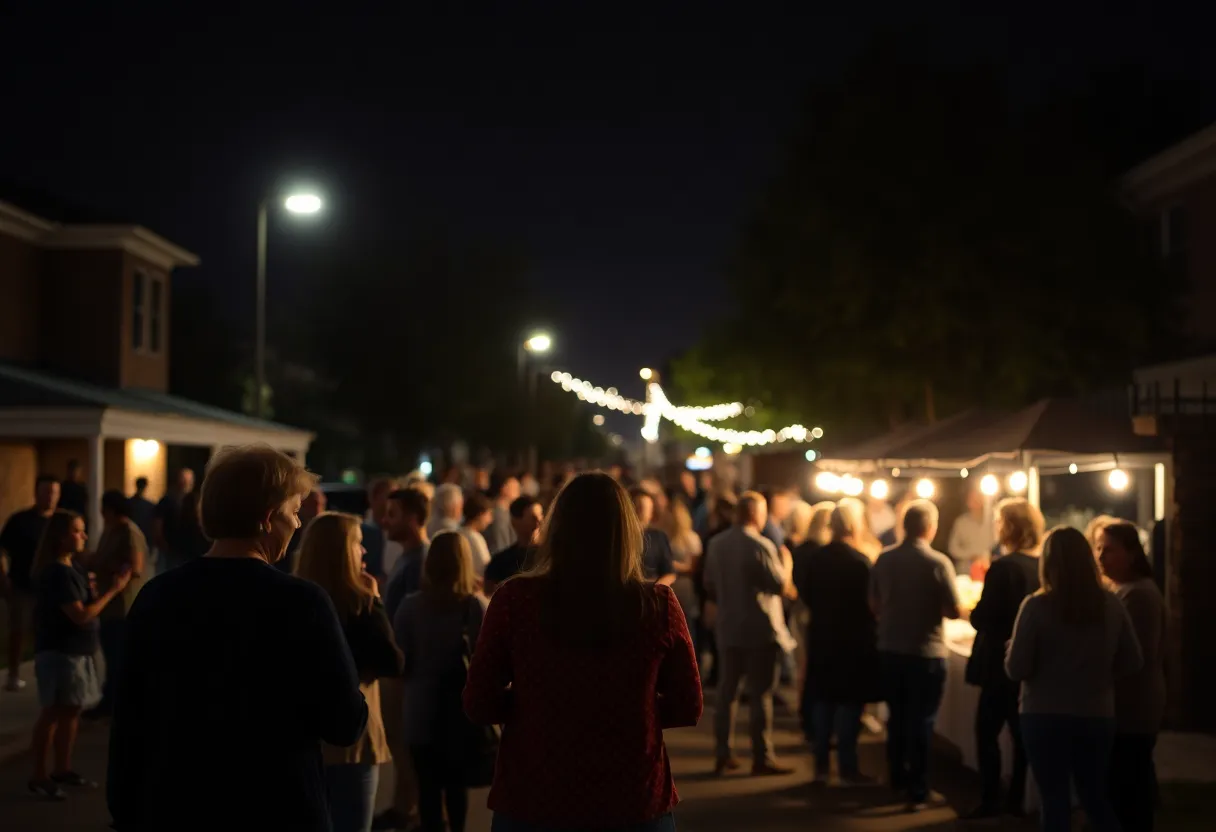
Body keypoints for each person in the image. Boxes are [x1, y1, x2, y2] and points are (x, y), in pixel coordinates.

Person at [106, 445, 368, 832]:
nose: (297, 525)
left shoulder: (157, 597)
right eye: (294, 512)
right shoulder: (301, 604)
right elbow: (345, 723)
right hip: (279, 808)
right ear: (267, 518)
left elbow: (129, 718)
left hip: (175, 807)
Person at [464, 472, 701, 831]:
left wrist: (535, 706)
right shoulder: (656, 606)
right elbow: (688, 703)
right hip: (632, 795)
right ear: (627, 532)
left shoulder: (515, 601)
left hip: (535, 792)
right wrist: (634, 709)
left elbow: (478, 701)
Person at [1006, 526, 1143, 832]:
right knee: (1094, 797)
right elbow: (1133, 660)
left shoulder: (1037, 606)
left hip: (1043, 714)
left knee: (1054, 799)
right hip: (1096, 713)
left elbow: (1016, 668)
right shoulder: (1112, 605)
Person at [296, 512, 404, 832]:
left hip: (305, 740)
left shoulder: (297, 600)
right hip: (354, 742)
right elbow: (392, 662)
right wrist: (375, 601)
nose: (364, 551)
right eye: (358, 543)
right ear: (342, 551)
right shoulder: (359, 604)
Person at [28, 510, 129, 800]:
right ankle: (38, 774)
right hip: (61, 653)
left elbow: (84, 604)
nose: (84, 536)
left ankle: (62, 768)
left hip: (76, 652)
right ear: (61, 537)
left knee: (71, 710)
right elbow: (80, 615)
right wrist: (114, 590)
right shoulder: (57, 572)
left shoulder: (71, 569)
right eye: (78, 530)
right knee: (53, 713)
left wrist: (93, 590)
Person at [869, 499, 960, 811]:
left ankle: (896, 779)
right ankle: (919, 790)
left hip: (891, 649)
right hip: (926, 652)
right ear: (930, 528)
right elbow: (952, 610)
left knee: (896, 718)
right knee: (922, 721)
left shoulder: (884, 559)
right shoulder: (938, 563)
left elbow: (874, 604)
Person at [395, 531, 486, 832]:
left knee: (428, 792)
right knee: (457, 788)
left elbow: (401, 664)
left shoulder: (409, 607)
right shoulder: (473, 607)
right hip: (460, 712)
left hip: (420, 711)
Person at [962, 497, 1044, 819]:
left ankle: (990, 799)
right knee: (1021, 735)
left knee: (986, 732)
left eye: (999, 522)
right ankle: (1017, 798)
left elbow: (983, 617)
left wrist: (972, 614)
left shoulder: (1003, 568)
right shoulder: (1042, 566)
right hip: (1030, 661)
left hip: (998, 661)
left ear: (1008, 527)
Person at [704, 491, 796, 776]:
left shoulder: (717, 544)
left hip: (729, 625)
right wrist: (788, 563)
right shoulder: (762, 545)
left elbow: (709, 583)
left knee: (727, 692)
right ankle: (762, 755)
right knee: (761, 695)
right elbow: (780, 585)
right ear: (757, 514)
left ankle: (723, 752)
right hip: (760, 628)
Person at [793, 500, 880, 785]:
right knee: (850, 704)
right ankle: (847, 768)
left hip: (822, 636)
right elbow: (870, 604)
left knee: (823, 701)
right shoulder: (859, 561)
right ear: (854, 526)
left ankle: (820, 767)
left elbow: (804, 593)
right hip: (852, 640)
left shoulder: (817, 559)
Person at [1098, 521, 1166, 832]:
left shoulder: (1138, 596)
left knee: (1129, 784)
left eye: (1109, 550)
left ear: (1131, 553)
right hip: (1128, 703)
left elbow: (1130, 655)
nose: (1101, 557)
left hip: (1133, 705)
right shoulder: (1124, 591)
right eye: (1099, 549)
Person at [374, 486, 431, 832]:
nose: (384, 521)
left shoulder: (419, 560)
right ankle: (403, 805)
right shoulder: (408, 557)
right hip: (398, 664)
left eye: (392, 515)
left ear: (413, 518)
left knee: (404, 741)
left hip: (405, 667)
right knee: (399, 740)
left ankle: (411, 810)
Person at [86, 490, 149, 719]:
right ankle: (111, 700)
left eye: (103, 508)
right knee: (111, 655)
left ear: (111, 509)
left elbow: (135, 567)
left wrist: (104, 566)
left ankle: (114, 704)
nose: (101, 513)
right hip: (108, 605)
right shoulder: (110, 530)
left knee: (117, 657)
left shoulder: (128, 532)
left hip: (123, 606)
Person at [1, 473, 60, 691]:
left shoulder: (60, 523)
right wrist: (3, 576)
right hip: (22, 585)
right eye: (46, 492)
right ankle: (13, 673)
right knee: (18, 630)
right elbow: (2, 548)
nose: (50, 497)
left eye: (54, 493)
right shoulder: (20, 520)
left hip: (51, 588)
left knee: (46, 633)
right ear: (36, 493)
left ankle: (44, 673)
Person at [482, 496, 544, 595]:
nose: (539, 522)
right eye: (532, 518)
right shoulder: (500, 563)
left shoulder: (549, 556)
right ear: (515, 522)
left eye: (541, 516)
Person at [630, 487, 676, 586]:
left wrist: (654, 589)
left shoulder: (658, 537)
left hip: (652, 593)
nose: (642, 511)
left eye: (646, 508)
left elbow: (669, 573)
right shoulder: (623, 537)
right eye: (639, 507)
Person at [152, 467, 195, 572]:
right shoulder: (167, 500)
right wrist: (162, 542)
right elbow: (158, 523)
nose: (186, 483)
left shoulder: (194, 501)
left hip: (187, 549)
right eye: (183, 479)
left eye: (189, 480)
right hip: (170, 548)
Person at [458, 492, 494, 579]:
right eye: (488, 514)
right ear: (480, 515)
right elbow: (484, 569)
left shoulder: (457, 533)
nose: (490, 520)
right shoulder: (475, 539)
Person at [484, 471, 521, 554]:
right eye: (515, 488)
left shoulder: (504, 512)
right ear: (504, 488)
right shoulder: (499, 515)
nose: (518, 493)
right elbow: (501, 546)